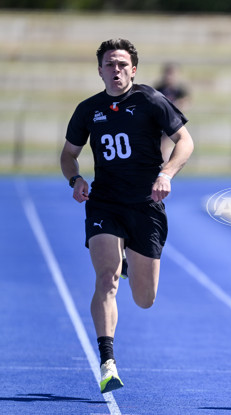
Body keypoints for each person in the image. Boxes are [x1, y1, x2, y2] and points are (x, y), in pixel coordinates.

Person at [60, 38, 194, 394]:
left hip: (145, 205)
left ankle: (132, 260)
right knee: (106, 279)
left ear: (133, 69)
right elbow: (68, 154)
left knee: (144, 298)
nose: (115, 70)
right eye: (109, 64)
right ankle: (107, 361)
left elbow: (185, 141)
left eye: (122, 64)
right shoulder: (88, 109)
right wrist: (75, 179)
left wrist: (165, 175)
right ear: (100, 69)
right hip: (104, 203)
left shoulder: (151, 100)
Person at [155, 62, 190, 163]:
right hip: (160, 122)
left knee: (168, 144)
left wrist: (176, 106)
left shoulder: (179, 91)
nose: (169, 77)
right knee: (161, 145)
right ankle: (164, 165)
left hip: (173, 122)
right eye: (167, 73)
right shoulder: (158, 89)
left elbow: (186, 103)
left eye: (172, 74)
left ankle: (167, 165)